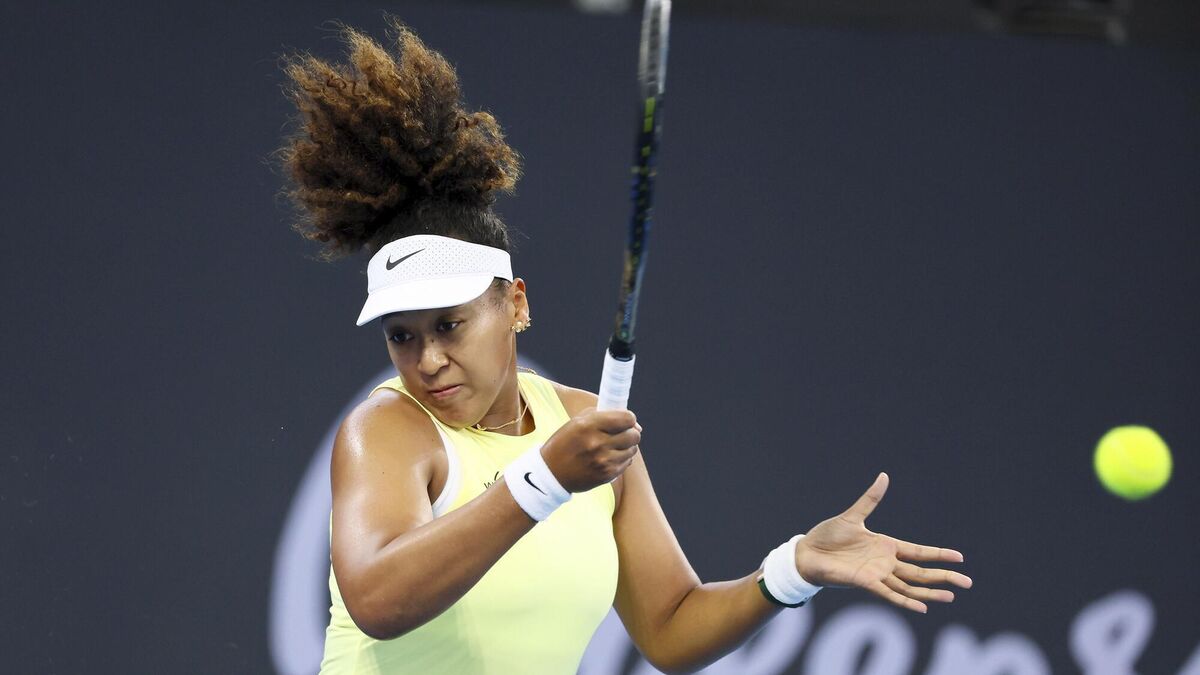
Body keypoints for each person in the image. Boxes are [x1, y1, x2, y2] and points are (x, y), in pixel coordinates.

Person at [279, 19, 972, 675]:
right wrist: (545, 479)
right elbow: (378, 600)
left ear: (514, 304)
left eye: (450, 325)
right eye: (403, 335)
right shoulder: (389, 428)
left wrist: (792, 570)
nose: (428, 359)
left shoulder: (583, 428)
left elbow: (670, 626)